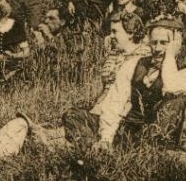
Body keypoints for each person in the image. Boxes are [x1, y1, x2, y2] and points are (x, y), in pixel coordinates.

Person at [63, 13, 153, 148]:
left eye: (115, 31)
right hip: (102, 110)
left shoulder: (143, 58)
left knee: (72, 117)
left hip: (120, 115)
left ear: (130, 33)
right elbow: (105, 86)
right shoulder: (115, 54)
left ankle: (93, 146)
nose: (111, 36)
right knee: (72, 116)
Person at [119, 18, 186, 145]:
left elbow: (171, 86)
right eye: (154, 42)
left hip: (159, 141)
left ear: (176, 43)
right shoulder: (139, 64)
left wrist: (170, 55)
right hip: (129, 135)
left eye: (164, 43)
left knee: (175, 100)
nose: (157, 48)